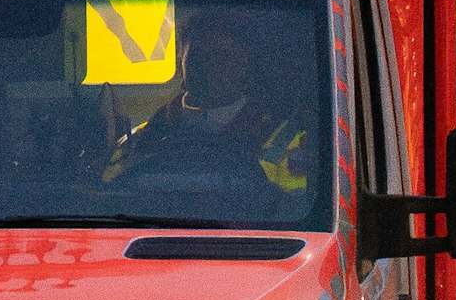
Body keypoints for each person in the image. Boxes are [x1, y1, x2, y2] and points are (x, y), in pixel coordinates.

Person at [101, 15, 314, 193]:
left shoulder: (288, 142)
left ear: (247, 64)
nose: (212, 67)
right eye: (200, 56)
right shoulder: (142, 137)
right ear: (180, 59)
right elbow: (109, 198)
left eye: (224, 56)